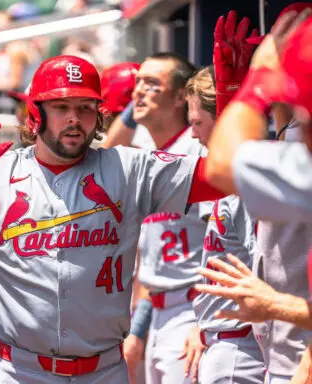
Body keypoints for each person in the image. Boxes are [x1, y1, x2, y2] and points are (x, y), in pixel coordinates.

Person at [0, 54, 224, 383]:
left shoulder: (128, 168)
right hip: (19, 370)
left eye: (85, 107)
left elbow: (224, 175)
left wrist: (233, 98)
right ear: (36, 113)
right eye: (61, 107)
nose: (74, 119)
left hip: (104, 370)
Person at [197, 8, 312, 384]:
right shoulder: (291, 135)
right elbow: (248, 162)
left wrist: (258, 85)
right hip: (280, 353)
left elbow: (225, 166)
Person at [121, 53, 213, 384]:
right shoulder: (145, 155)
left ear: (179, 98)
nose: (139, 92)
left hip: (194, 309)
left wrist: (205, 324)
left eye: (152, 84)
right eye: (137, 82)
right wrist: (139, 328)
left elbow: (227, 246)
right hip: (156, 313)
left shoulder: (199, 154)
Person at [184, 66, 265, 384]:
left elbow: (262, 274)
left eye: (197, 123)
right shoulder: (230, 178)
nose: (193, 134)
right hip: (222, 340)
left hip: (241, 347)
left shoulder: (246, 183)